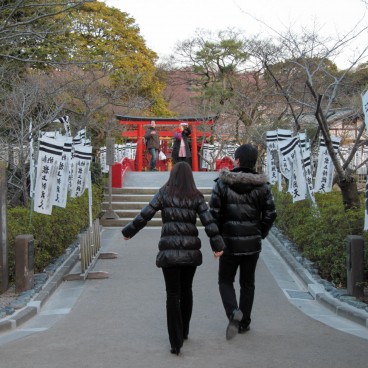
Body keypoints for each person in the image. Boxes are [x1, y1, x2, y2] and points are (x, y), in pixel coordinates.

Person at [122, 162, 225, 355]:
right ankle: (184, 330)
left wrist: (130, 231)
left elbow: (146, 213)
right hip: (190, 252)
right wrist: (217, 245)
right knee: (186, 290)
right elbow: (208, 221)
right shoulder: (196, 196)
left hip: (169, 253)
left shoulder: (164, 193)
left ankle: (175, 342)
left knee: (172, 294)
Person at [208, 144, 277, 340]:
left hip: (228, 242)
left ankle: (233, 312)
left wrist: (218, 240)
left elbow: (213, 214)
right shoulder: (262, 187)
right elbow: (271, 213)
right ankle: (244, 322)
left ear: (236, 161)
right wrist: (260, 233)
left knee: (225, 280)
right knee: (248, 283)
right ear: (254, 162)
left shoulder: (222, 184)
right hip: (252, 244)